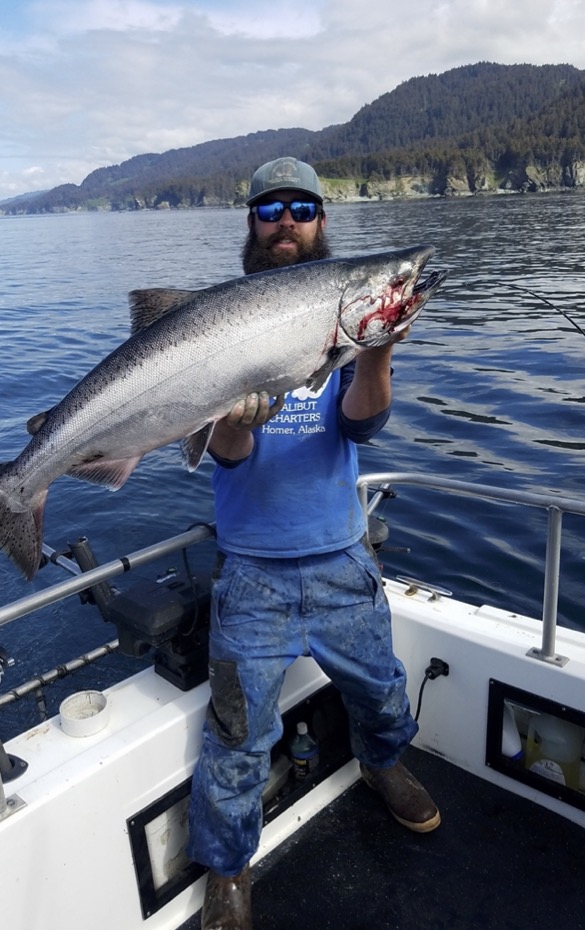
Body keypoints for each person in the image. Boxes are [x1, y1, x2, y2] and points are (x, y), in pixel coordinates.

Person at [186, 157, 439, 930]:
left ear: (321, 220)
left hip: (340, 558)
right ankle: (228, 869)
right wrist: (232, 422)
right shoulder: (215, 327)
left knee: (380, 690)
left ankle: (383, 765)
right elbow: (219, 456)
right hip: (251, 576)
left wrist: (378, 349)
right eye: (270, 210)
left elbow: (362, 424)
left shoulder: (337, 323)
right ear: (252, 225)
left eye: (301, 207)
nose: (286, 220)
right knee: (236, 738)